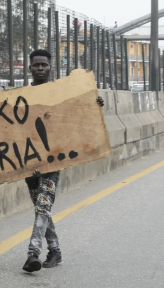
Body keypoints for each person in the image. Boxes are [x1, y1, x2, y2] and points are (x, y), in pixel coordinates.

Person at [22, 50, 104, 272]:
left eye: (44, 65)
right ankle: (55, 251)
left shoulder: (60, 93)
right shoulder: (21, 96)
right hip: (29, 164)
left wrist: (94, 104)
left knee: (42, 207)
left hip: (52, 162)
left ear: (50, 68)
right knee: (43, 208)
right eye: (36, 65)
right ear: (30, 68)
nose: (40, 68)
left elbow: (76, 115)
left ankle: (33, 254)